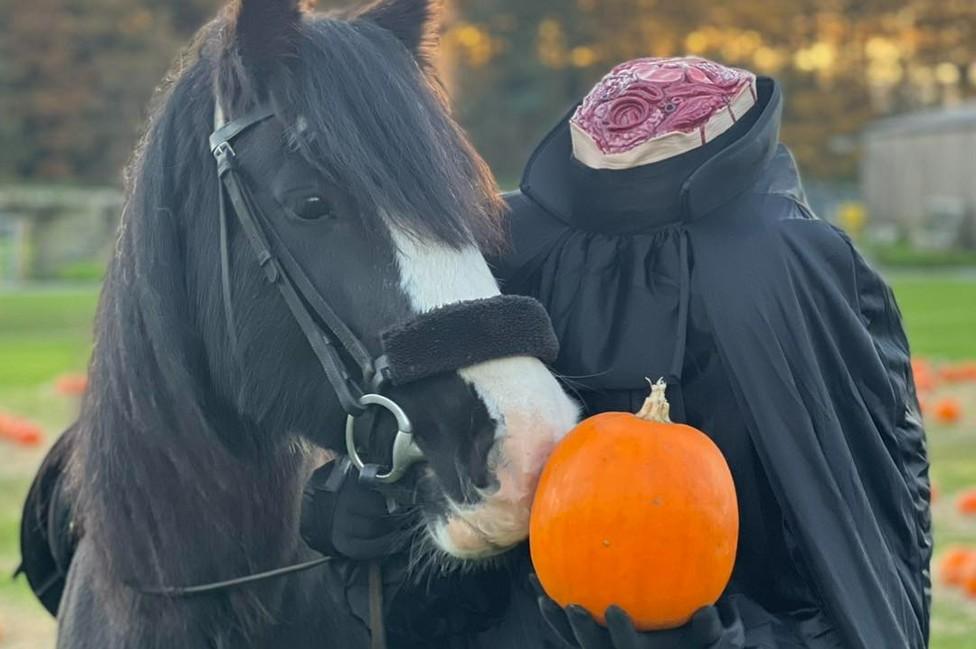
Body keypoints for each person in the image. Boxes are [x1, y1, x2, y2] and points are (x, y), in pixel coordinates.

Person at [302, 56, 932, 649]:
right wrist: (378, 508)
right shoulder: (505, 246)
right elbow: (439, 447)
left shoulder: (781, 272)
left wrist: (718, 641)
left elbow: (852, 550)